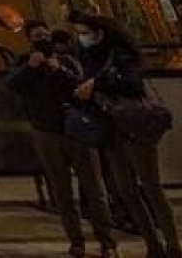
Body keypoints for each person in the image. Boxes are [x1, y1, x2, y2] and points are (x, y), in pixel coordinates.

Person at [69, 12, 180, 258]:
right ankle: (152, 244)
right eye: (79, 33)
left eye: (84, 33)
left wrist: (97, 84)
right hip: (110, 129)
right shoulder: (87, 56)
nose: (81, 38)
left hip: (133, 126)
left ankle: (173, 245)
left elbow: (131, 84)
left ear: (100, 33)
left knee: (151, 187)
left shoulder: (119, 54)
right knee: (126, 191)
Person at [8, 20, 115, 257]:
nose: (43, 40)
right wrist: (32, 67)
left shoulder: (67, 61)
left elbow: (82, 86)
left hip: (76, 130)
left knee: (94, 188)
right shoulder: (24, 63)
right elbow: (13, 84)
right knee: (61, 190)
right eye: (37, 36)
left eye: (45, 35)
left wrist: (59, 71)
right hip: (46, 131)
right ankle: (76, 240)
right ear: (29, 40)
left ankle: (106, 240)